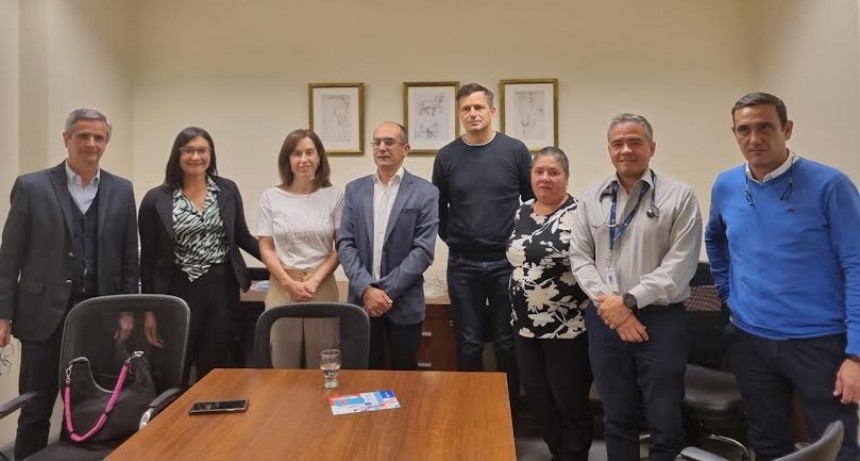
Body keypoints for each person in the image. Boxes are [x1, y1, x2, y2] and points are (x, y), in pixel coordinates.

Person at [705, 92, 860, 460]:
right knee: (767, 443)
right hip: (751, 340)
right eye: (744, 129)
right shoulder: (726, 186)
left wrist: (855, 356)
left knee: (836, 446)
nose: (754, 138)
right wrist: (729, 292)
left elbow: (857, 267)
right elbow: (714, 239)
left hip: (819, 343)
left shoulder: (831, 186)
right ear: (734, 133)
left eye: (764, 127)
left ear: (786, 129)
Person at [0, 109, 139, 459]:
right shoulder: (32, 187)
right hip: (42, 317)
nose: (91, 144)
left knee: (92, 406)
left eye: (99, 137)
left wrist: (127, 311)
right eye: (83, 136)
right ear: (66, 139)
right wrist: (3, 314)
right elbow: (9, 257)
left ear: (106, 142)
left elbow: (128, 259)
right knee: (36, 408)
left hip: (100, 318)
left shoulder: (122, 190)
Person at [569, 113, 702, 461]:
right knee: (616, 417)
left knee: (665, 420)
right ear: (609, 150)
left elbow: (680, 265)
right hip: (605, 320)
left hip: (660, 320)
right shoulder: (591, 197)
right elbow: (581, 257)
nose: (626, 149)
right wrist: (613, 308)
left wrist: (628, 301)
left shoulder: (680, 197)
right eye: (618, 143)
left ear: (651, 148)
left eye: (635, 142)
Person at [431, 83, 533, 404]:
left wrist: (517, 245)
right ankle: (469, 408)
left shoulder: (515, 151)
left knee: (506, 341)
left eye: (478, 107)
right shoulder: (447, 157)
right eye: (465, 109)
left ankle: (510, 412)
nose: (472, 113)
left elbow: (532, 205)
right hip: (463, 264)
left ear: (492, 111)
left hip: (506, 263)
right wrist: (460, 241)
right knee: (469, 342)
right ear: (459, 114)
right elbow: (438, 210)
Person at [138, 127, 260, 385]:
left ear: (211, 154)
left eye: (202, 150)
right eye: (189, 150)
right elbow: (148, 260)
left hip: (221, 289)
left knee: (215, 364)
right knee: (176, 365)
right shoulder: (156, 199)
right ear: (177, 155)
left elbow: (242, 237)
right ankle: (171, 421)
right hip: (177, 289)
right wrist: (149, 311)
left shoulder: (226, 190)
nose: (196, 157)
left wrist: (282, 264)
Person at [507, 146, 592, 460]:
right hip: (524, 327)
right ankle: (560, 452)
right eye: (539, 171)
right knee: (539, 400)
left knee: (570, 402)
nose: (545, 178)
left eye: (553, 172)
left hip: (567, 327)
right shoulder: (521, 211)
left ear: (566, 177)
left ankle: (574, 456)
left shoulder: (581, 214)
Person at [337, 122, 439, 370]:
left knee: (405, 381)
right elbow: (345, 243)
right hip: (362, 304)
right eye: (377, 142)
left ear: (405, 149)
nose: (382, 148)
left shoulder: (425, 192)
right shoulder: (355, 190)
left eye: (389, 142)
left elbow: (423, 251)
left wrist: (383, 292)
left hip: (403, 305)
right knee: (364, 379)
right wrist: (366, 290)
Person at [257, 129, 343, 369]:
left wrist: (315, 280)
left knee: (324, 362)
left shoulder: (334, 195)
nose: (303, 159)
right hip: (282, 285)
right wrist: (287, 282)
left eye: (309, 152)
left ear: (319, 157)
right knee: (282, 364)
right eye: (296, 153)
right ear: (288, 159)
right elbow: (265, 247)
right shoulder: (271, 197)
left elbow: (341, 246)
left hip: (322, 284)